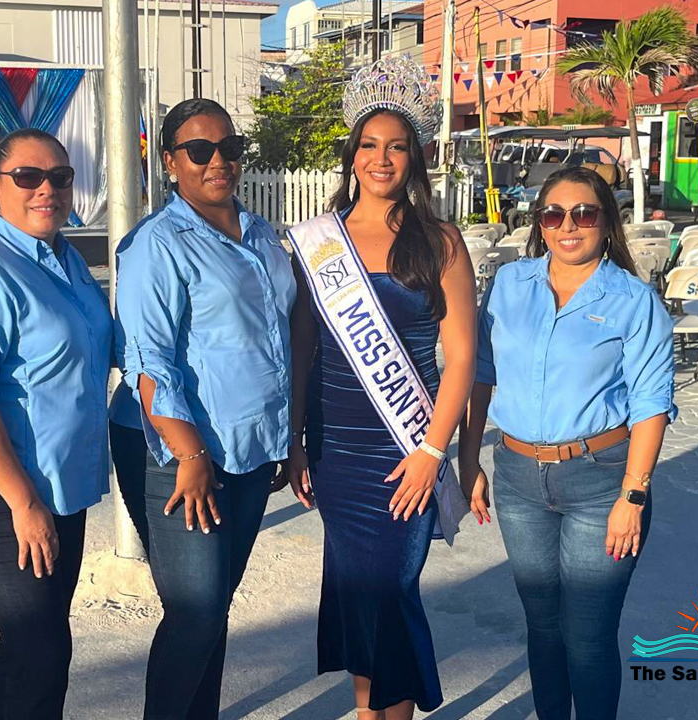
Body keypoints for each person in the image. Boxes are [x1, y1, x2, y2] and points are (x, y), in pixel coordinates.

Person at [286, 56, 475, 719]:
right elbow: (302, 350)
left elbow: (462, 357)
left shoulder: (441, 241)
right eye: (369, 145)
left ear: (415, 158)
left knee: (392, 591)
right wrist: (295, 443)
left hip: (408, 448)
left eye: (397, 147)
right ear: (352, 155)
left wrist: (432, 452)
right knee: (360, 593)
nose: (381, 159)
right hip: (337, 451)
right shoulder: (318, 243)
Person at [458, 166, 676, 720]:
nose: (569, 226)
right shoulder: (510, 284)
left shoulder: (633, 300)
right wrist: (468, 458)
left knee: (588, 633)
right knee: (543, 626)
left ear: (606, 221)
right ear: (540, 223)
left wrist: (633, 496)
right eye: (554, 215)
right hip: (517, 478)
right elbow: (480, 373)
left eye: (584, 213)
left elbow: (651, 403)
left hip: (601, 482)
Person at [109, 98, 296, 720]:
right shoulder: (156, 245)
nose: (218, 161)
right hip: (175, 448)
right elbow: (148, 361)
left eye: (229, 148)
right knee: (195, 612)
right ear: (170, 161)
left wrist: (285, 437)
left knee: (215, 607)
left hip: (249, 444)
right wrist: (189, 455)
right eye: (199, 150)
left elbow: (280, 338)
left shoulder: (263, 234)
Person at [0, 128, 112, 719]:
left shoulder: (66, 260)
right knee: (39, 646)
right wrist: (23, 502)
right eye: (28, 177)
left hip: (59, 487)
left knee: (39, 648)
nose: (46, 189)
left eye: (59, 177)